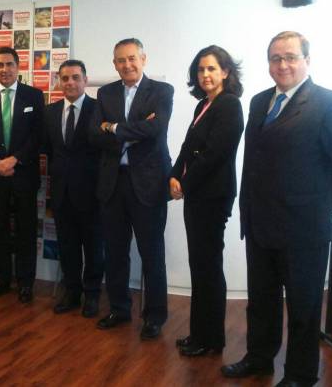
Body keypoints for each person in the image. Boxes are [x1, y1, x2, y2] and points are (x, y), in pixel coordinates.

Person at [221, 31, 332, 387]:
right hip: (259, 223)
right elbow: (254, 160)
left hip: (303, 228)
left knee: (303, 306)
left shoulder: (331, 104)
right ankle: (259, 358)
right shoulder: (259, 102)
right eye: (275, 58)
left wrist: (320, 205)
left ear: (306, 61)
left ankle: (300, 374)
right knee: (261, 301)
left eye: (290, 57)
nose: (282, 64)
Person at [89, 38, 173, 339]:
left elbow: (156, 129)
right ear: (115, 64)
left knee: (152, 254)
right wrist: (133, 132)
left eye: (132, 58)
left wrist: (112, 128)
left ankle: (154, 317)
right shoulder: (105, 93)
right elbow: (93, 135)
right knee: (115, 252)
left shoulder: (162, 91)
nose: (127, 65)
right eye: (121, 60)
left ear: (143, 59)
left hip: (149, 184)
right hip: (113, 183)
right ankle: (119, 309)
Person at [169, 45, 244, 356]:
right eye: (201, 70)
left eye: (212, 68)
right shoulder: (204, 104)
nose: (205, 74)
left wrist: (184, 184)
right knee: (199, 265)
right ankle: (199, 333)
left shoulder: (229, 105)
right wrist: (174, 175)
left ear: (225, 72)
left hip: (213, 196)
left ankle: (211, 340)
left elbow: (214, 155)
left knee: (208, 266)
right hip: (198, 195)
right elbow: (188, 147)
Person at [0, 47, 45, 304]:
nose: (5, 69)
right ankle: (0, 279)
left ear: (18, 65)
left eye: (9, 64)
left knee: (26, 230)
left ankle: (25, 282)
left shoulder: (34, 95)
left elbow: (38, 134)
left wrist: (15, 159)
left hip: (23, 174)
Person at [42, 59, 103, 318]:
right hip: (61, 192)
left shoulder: (99, 109)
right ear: (59, 81)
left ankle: (92, 295)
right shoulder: (50, 112)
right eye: (65, 78)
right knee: (67, 247)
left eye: (76, 77)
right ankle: (72, 292)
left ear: (85, 80)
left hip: (92, 192)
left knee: (93, 247)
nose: (70, 82)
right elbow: (49, 149)